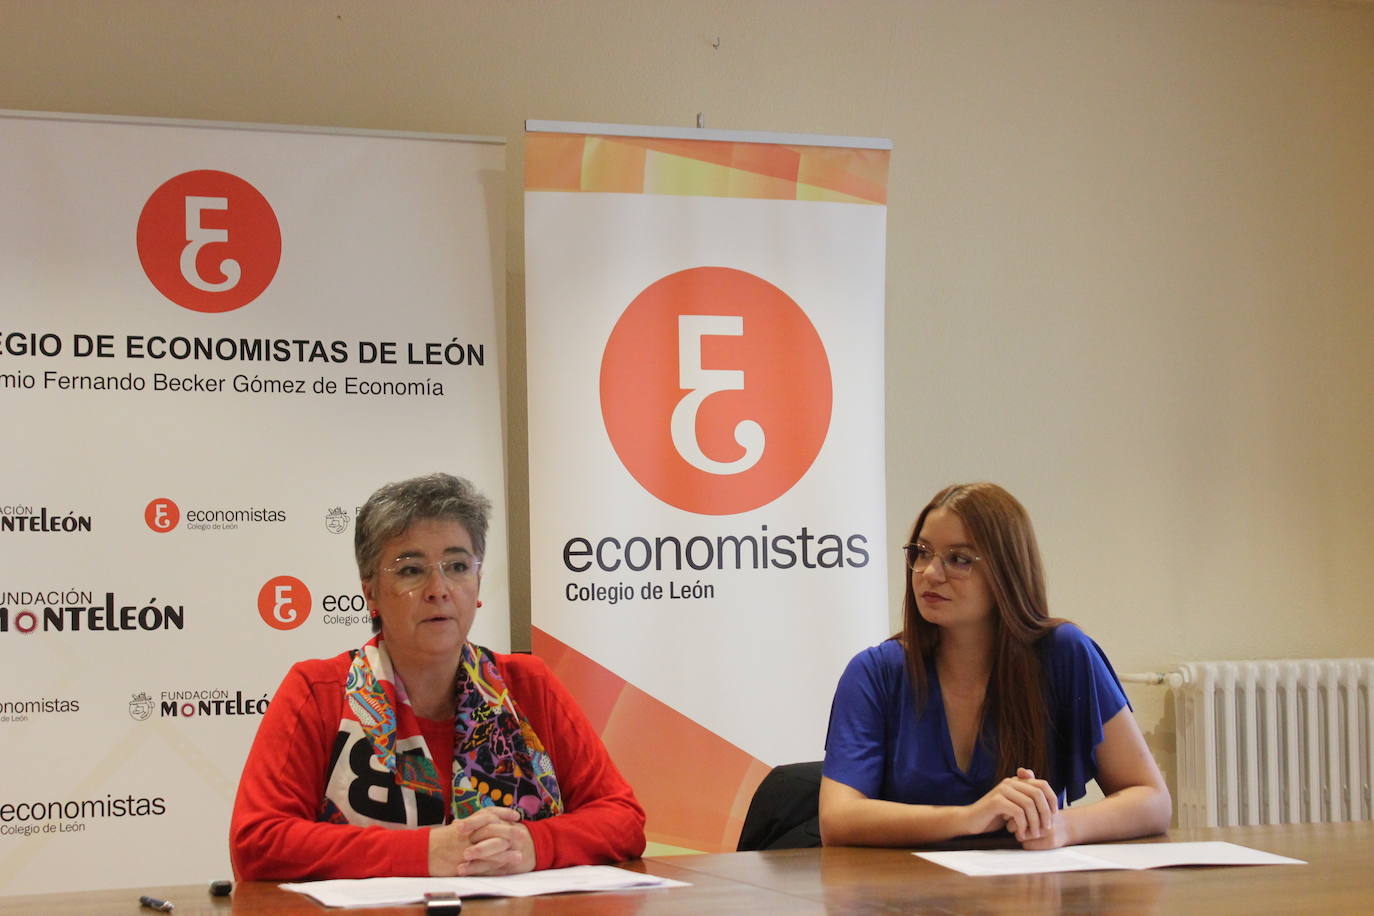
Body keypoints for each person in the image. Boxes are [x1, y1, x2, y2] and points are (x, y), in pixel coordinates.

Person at [230, 473, 646, 880]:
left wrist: (532, 845)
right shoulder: (319, 690)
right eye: (411, 570)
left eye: (458, 566)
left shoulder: (527, 683)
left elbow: (623, 819)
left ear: (478, 582)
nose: (438, 588)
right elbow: (258, 842)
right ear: (371, 592)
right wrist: (425, 853)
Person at [819, 483, 1170, 849]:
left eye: (959, 559)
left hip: (1028, 896)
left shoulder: (1064, 653)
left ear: (1007, 570)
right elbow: (838, 819)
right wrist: (970, 817)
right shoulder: (875, 672)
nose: (929, 573)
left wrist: (1064, 827)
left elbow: (1152, 800)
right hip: (906, 897)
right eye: (921, 553)